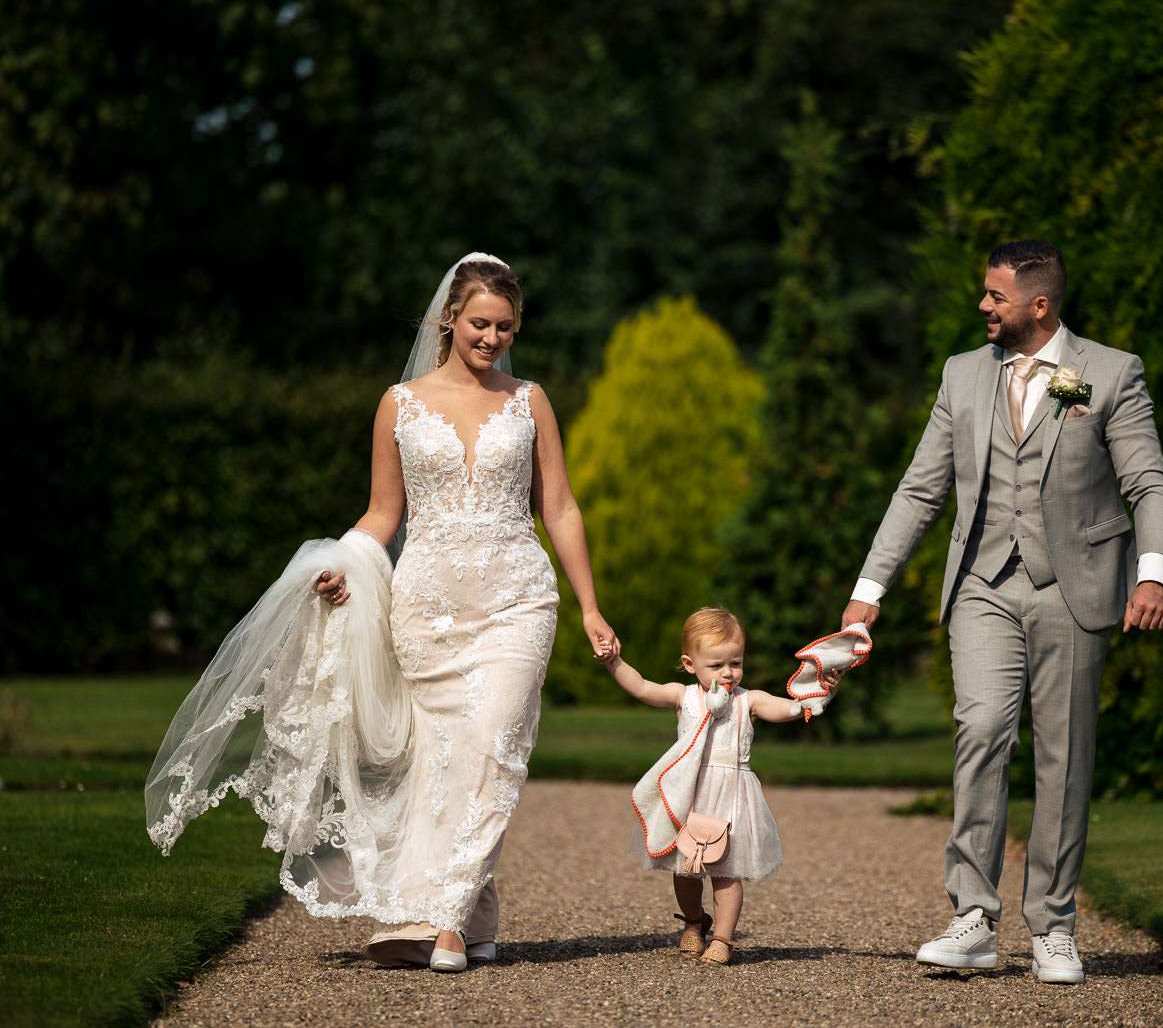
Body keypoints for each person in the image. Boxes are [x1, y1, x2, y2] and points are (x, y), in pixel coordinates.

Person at [145, 253, 618, 975]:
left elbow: (559, 504)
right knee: (440, 761)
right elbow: (382, 512)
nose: (492, 338)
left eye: (504, 326)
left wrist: (589, 605)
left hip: (519, 595)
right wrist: (341, 565)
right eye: (479, 324)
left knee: (492, 747)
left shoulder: (530, 399)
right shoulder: (400, 402)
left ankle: (447, 920)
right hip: (427, 603)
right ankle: (471, 911)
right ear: (448, 319)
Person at [841, 240, 1163, 985]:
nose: (983, 306)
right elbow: (920, 489)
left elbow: (1148, 484)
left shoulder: (1111, 373)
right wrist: (870, 589)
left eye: (995, 296)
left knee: (1063, 755)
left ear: (1039, 305)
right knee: (983, 726)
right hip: (983, 584)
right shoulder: (962, 374)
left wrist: (1153, 574)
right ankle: (973, 917)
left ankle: (1054, 924)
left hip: (1076, 584)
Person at [599, 607, 808, 966]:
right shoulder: (684, 697)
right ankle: (694, 923)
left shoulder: (748, 700)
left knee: (727, 871)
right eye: (716, 665)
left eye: (735, 662)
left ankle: (723, 940)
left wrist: (813, 701)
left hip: (731, 797)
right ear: (690, 663)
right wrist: (613, 661)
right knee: (686, 870)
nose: (728, 672)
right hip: (690, 796)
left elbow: (784, 709)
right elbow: (642, 687)